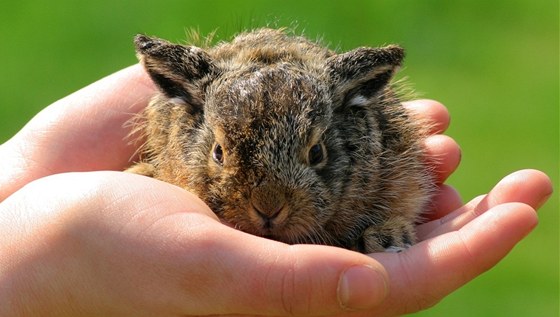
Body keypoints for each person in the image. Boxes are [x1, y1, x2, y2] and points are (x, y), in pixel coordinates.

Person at [0, 64, 552, 317]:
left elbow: (409, 172)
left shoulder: (368, 141)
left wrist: (393, 217)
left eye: (313, 156)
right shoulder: (182, 133)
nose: (266, 206)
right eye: (220, 156)